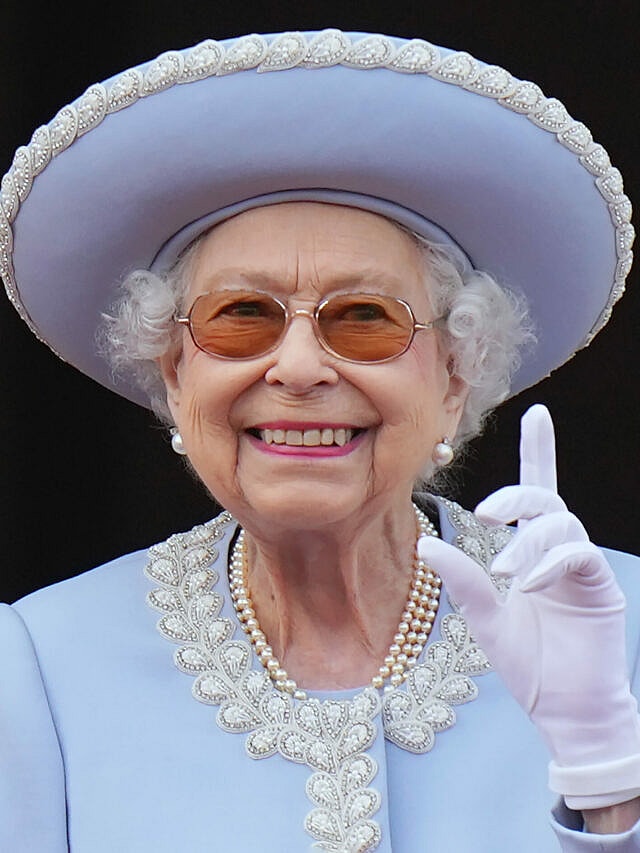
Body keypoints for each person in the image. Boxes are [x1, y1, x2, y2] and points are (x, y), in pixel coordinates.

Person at [0, 29, 638, 852]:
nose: (299, 367)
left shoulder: (617, 635)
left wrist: (609, 786)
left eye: (365, 318)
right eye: (241, 316)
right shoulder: (39, 666)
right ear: (175, 376)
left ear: (454, 378)